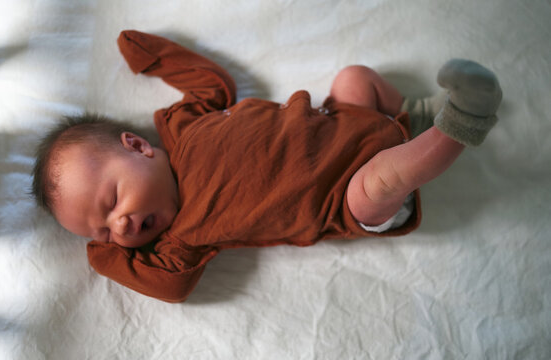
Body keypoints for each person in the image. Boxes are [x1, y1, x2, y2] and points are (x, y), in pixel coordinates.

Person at [31, 30, 502, 302]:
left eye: (111, 202)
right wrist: (103, 250)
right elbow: (169, 288)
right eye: (106, 230)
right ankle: (460, 122)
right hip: (343, 198)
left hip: (344, 119)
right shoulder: (182, 239)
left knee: (355, 78)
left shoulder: (185, 124)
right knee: (385, 179)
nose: (120, 224)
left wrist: (154, 56)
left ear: (137, 146)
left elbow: (209, 82)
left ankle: (416, 115)